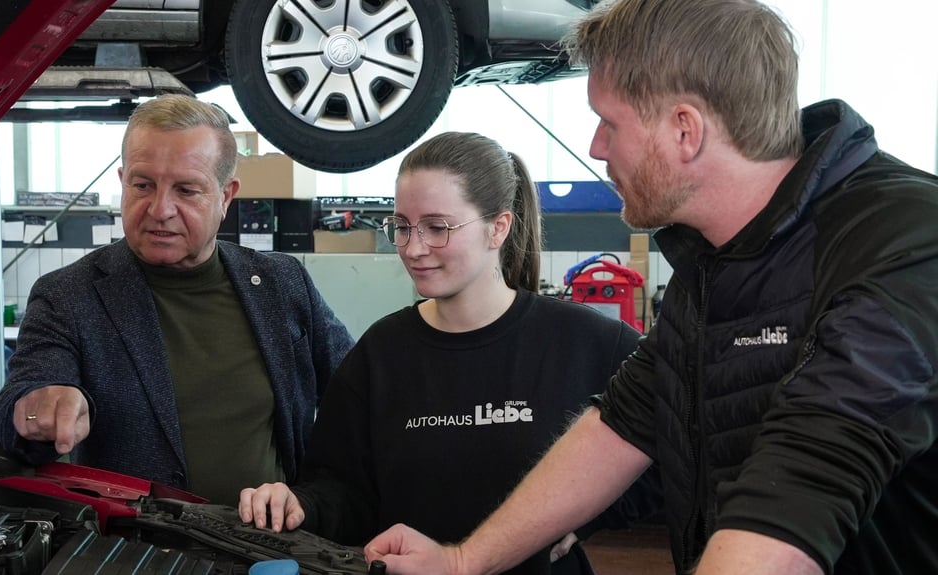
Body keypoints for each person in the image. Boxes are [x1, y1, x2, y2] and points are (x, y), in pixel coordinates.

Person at [362, 1, 938, 575]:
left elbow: (804, 479)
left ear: (684, 130)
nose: (595, 147)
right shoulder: (715, 257)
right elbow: (622, 423)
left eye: (609, 123)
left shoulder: (901, 244)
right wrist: (464, 561)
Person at [237, 131, 661, 575]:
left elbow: (672, 452)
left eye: (437, 228)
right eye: (402, 226)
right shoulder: (379, 357)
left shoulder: (588, 343)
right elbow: (344, 493)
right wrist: (297, 505)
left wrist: (589, 514)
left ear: (498, 228)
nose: (413, 248)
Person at [0, 94, 355, 505]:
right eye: (143, 185)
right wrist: (35, 409)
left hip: (269, 552)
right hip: (136, 554)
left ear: (225, 196)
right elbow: (15, 409)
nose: (160, 209)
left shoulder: (281, 283)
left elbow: (358, 391)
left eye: (186, 190)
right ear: (123, 181)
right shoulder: (69, 296)